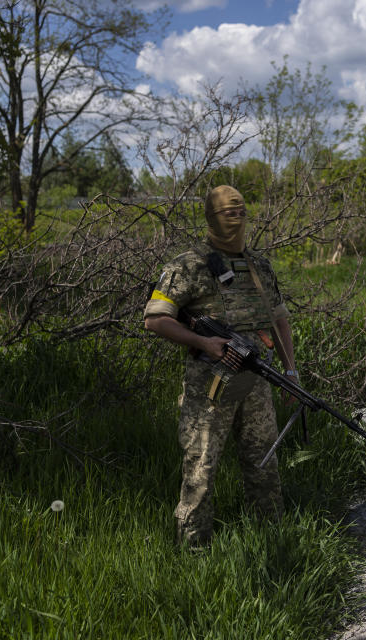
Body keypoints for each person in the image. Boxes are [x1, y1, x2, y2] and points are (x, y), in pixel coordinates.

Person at [143, 185, 299, 548]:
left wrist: (291, 373)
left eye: (241, 211)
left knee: (264, 464)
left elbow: (280, 321)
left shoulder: (258, 266)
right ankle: (194, 550)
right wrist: (204, 343)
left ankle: (270, 538)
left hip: (256, 382)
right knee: (200, 470)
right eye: (227, 212)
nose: (236, 218)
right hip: (209, 388)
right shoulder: (188, 265)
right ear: (211, 217)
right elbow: (154, 319)